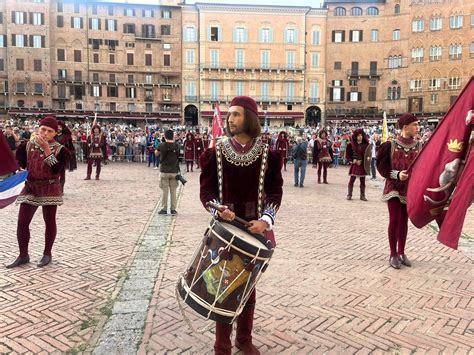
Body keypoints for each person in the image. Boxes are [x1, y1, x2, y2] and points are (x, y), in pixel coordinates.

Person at [200, 96, 283, 355]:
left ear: (249, 117)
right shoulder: (217, 151)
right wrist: (217, 207)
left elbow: (274, 191)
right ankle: (221, 343)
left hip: (254, 230)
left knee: (248, 288)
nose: (230, 119)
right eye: (229, 115)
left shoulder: (268, 155)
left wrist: (265, 220)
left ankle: (244, 339)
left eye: (236, 114)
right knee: (222, 287)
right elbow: (207, 190)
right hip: (225, 231)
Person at [7, 116, 69, 268]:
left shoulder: (61, 150)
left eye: (49, 131)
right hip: (31, 187)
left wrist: (47, 150)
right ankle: (23, 255)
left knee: (49, 221)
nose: (45, 133)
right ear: (38, 129)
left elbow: (56, 170)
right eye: (43, 129)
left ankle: (47, 253)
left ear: (55, 133)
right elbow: (20, 163)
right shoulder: (27, 145)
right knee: (22, 222)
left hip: (49, 187)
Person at [377, 114, 421, 269]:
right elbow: (382, 168)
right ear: (405, 127)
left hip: (409, 189)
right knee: (395, 219)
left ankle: (402, 252)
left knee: (404, 221)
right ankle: (393, 253)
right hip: (394, 187)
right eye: (415, 125)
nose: (417, 128)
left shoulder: (419, 146)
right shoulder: (390, 145)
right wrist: (397, 175)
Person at [157, 129, 180, 215]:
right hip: (174, 170)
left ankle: (164, 209)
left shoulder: (162, 145)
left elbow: (156, 153)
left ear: (165, 136)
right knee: (173, 191)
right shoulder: (177, 145)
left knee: (164, 191)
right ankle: (173, 209)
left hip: (164, 170)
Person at [346, 129, 370, 201]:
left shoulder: (366, 145)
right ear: (356, 136)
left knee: (362, 181)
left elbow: (368, 156)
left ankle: (362, 195)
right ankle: (349, 195)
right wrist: (352, 160)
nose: (360, 137)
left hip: (362, 165)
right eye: (358, 135)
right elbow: (348, 154)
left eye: (361, 135)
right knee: (352, 180)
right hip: (355, 164)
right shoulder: (351, 145)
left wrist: (363, 161)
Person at [55, 121, 77, 192]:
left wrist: (69, 153)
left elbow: (70, 147)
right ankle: (55, 189)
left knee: (62, 173)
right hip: (53, 156)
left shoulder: (66, 137)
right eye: (57, 127)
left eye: (60, 127)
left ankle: (61, 189)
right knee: (54, 173)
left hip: (62, 157)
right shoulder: (52, 136)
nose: (58, 128)